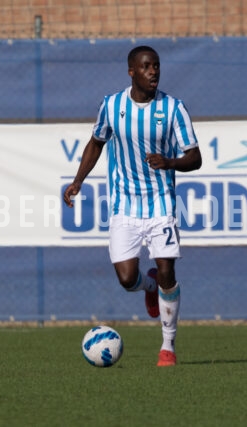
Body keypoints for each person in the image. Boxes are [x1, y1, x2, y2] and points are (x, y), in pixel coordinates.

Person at [63, 45, 202, 367]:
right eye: (146, 66)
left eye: (156, 66)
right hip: (124, 205)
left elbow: (194, 158)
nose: (153, 71)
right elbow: (96, 142)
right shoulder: (112, 106)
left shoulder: (173, 108)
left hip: (160, 204)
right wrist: (78, 180)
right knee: (127, 279)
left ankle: (167, 346)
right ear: (132, 71)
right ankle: (148, 285)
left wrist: (169, 162)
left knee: (168, 267)